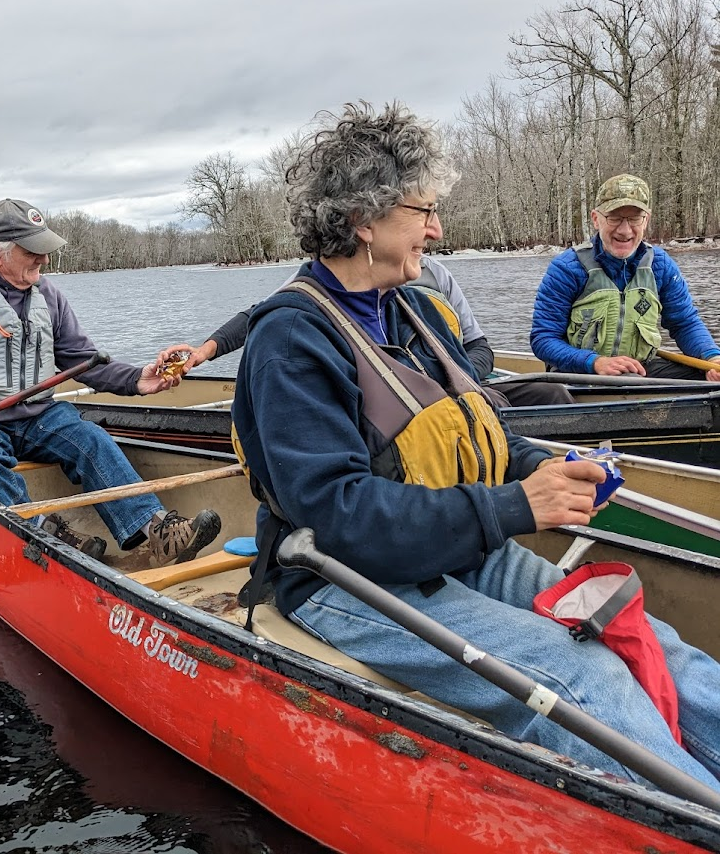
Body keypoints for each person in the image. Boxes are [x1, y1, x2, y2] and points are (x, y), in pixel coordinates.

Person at [231, 101, 720, 790]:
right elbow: (339, 516)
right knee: (574, 676)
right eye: (420, 210)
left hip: (453, 543)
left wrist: (544, 466)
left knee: (645, 640)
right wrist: (516, 505)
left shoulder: (416, 310)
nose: (435, 227)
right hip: (343, 577)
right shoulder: (291, 339)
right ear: (362, 220)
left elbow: (479, 436)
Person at [0, 198, 221, 568]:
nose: (44, 260)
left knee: (92, 439)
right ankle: (46, 532)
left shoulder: (46, 294)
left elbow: (80, 359)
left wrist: (136, 379)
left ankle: (157, 530)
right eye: (34, 251)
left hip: (37, 417)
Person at [158, 255, 573, 407]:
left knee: (551, 394)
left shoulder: (436, 277)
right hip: (395, 401)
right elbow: (256, 315)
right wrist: (203, 351)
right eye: (422, 214)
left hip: (454, 386)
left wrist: (458, 378)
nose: (433, 231)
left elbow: (478, 346)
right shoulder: (320, 288)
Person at [531, 173, 720, 382]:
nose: (624, 230)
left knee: (706, 376)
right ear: (596, 219)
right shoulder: (567, 268)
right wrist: (594, 362)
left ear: (646, 220)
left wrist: (711, 356)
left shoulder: (661, 266)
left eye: (634, 219)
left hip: (640, 370)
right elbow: (543, 339)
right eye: (615, 218)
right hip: (578, 373)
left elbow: (684, 323)